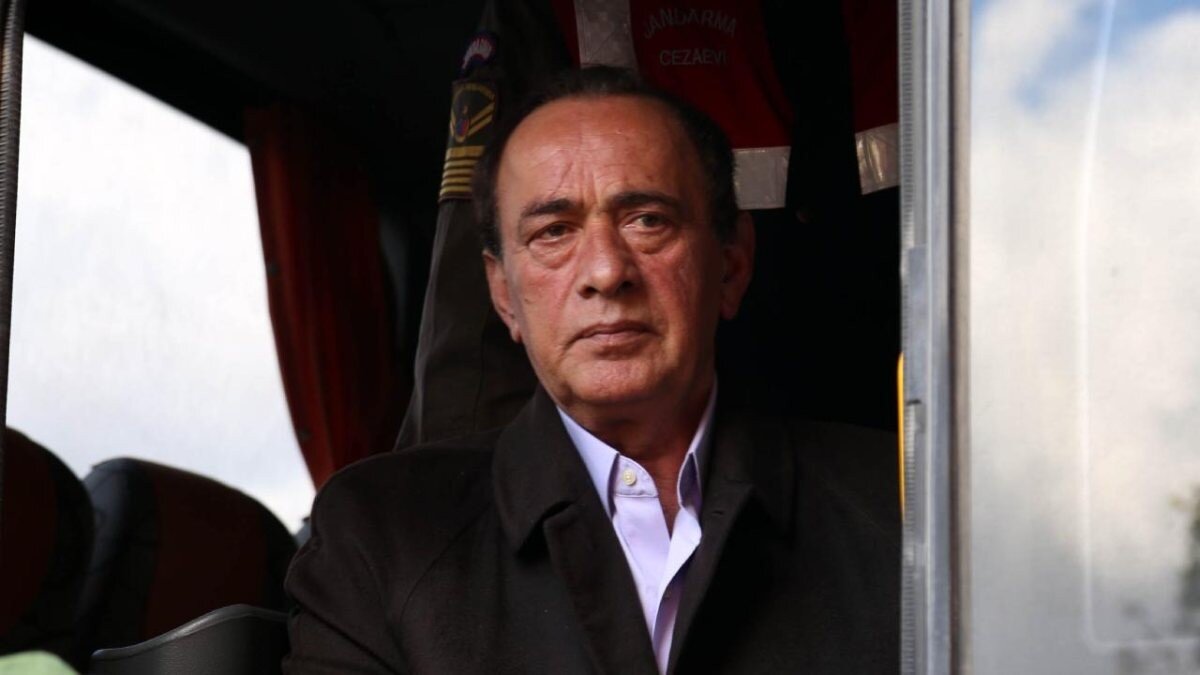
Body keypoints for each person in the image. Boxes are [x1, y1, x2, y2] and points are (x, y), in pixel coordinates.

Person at [284, 67, 898, 674]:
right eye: (554, 232)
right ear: (503, 295)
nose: (606, 271)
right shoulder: (380, 535)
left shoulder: (901, 502)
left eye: (648, 220)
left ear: (732, 264)